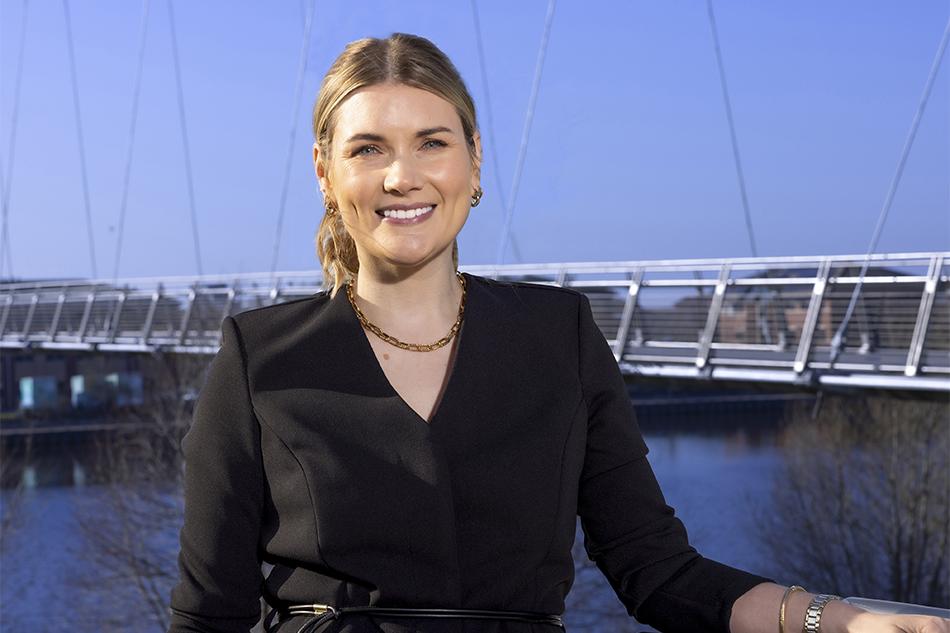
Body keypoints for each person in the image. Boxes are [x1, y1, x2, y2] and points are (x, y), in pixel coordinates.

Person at [167, 33, 949, 633]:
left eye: (432, 142)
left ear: (475, 161)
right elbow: (208, 616)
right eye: (368, 148)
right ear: (325, 173)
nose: (402, 175)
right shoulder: (259, 357)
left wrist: (833, 620)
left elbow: (656, 569)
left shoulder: (559, 336)